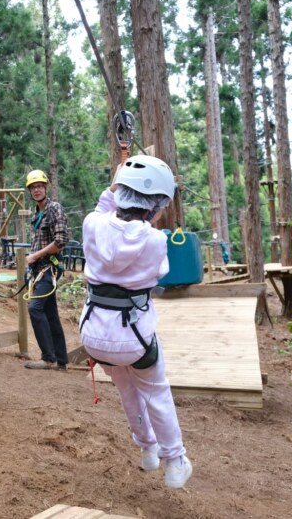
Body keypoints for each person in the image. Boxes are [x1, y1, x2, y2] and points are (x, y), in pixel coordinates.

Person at [79, 154, 192, 489]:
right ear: (153, 205)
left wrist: (117, 180)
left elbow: (103, 208)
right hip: (134, 339)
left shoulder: (92, 224)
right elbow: (159, 274)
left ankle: (147, 449)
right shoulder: (155, 241)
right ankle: (174, 461)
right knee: (156, 392)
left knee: (127, 389)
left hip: (95, 335)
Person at [22, 170, 70, 371]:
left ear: (46, 187)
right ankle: (61, 360)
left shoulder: (54, 209)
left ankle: (48, 357)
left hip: (49, 267)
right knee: (50, 312)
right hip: (39, 268)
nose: (36, 190)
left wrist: (35, 256)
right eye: (33, 187)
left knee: (35, 308)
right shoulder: (36, 214)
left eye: (40, 186)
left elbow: (61, 241)